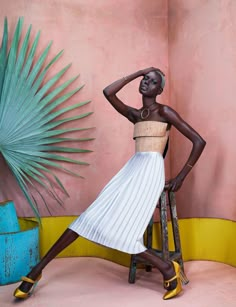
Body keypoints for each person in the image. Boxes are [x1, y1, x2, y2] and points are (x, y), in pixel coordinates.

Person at [13, 67, 206, 300]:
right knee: (86, 219)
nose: (146, 82)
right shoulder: (136, 115)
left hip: (150, 173)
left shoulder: (165, 111)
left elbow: (198, 141)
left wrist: (181, 176)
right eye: (145, 79)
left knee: (125, 232)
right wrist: (138, 72)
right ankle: (36, 272)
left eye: (152, 81)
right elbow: (108, 92)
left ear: (160, 89)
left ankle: (167, 268)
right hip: (131, 169)